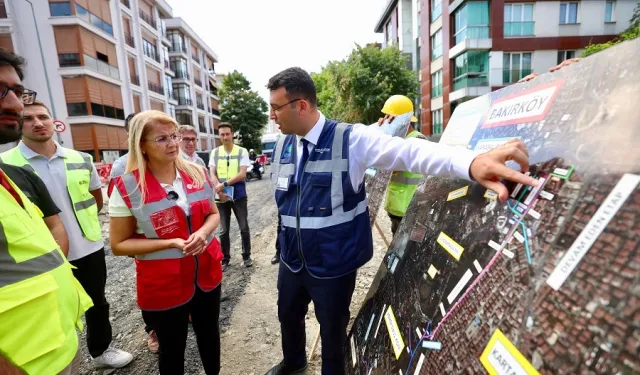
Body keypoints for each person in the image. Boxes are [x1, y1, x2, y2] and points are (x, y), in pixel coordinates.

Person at [265, 67, 538, 375]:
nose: (272, 115)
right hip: (292, 259)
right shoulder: (284, 146)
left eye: (276, 107)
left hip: (332, 263)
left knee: (331, 331)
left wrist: (471, 163)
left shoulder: (350, 140)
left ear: (301, 105)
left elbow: (409, 152)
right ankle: (294, 363)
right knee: (287, 314)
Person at [0, 100, 134, 370]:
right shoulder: (7, 165)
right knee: (51, 307)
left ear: (54, 121)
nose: (38, 123)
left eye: (43, 117)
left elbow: (96, 199)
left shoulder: (80, 158)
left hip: (87, 246)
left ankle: (100, 351)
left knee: (97, 301)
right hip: (41, 256)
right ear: (19, 124)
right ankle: (62, 358)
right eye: (29, 119)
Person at [0, 48, 93, 375]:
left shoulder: (7, 176)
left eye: (17, 92)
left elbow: (51, 227)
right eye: (0, 90)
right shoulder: (15, 165)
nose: (15, 104)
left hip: (53, 343)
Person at [109, 110, 223, 375]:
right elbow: (119, 244)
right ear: (141, 145)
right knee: (172, 350)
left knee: (210, 336)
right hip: (163, 283)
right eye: (162, 139)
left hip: (206, 273)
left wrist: (203, 233)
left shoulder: (196, 172)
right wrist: (170, 243)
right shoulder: (128, 187)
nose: (173, 144)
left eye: (174, 136)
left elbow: (213, 214)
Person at [377, 95, 427, 236]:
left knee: (408, 250)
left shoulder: (418, 140)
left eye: (390, 117)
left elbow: (391, 168)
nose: (387, 120)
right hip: (396, 207)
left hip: (410, 208)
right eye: (386, 117)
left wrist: (386, 135)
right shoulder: (398, 139)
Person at [209, 122, 253, 270]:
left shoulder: (242, 151)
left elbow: (242, 174)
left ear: (232, 134)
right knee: (224, 230)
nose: (225, 137)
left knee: (244, 227)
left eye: (227, 134)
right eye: (222, 134)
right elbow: (212, 174)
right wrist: (219, 189)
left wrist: (223, 185)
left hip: (238, 194)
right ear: (219, 135)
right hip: (221, 195)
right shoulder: (215, 152)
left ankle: (246, 256)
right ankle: (225, 259)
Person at [107, 112, 137, 197]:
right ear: (129, 135)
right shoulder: (121, 165)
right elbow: (116, 203)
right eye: (136, 130)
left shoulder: (167, 158)